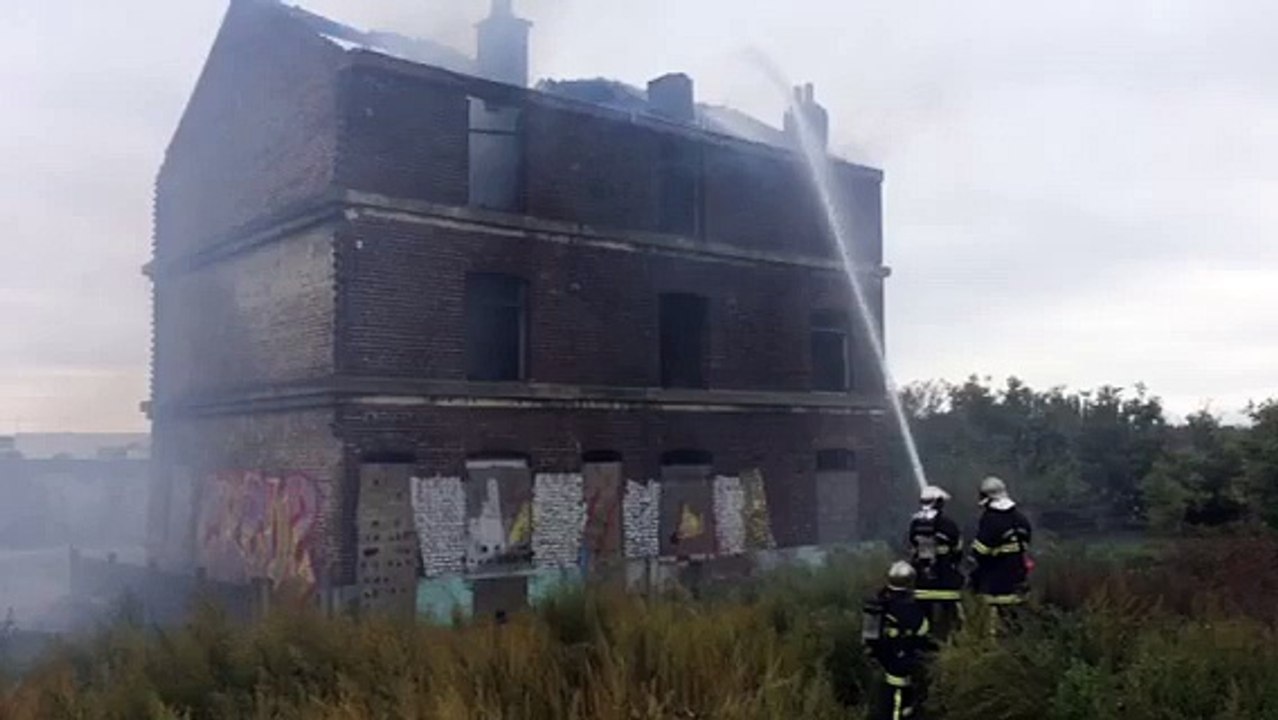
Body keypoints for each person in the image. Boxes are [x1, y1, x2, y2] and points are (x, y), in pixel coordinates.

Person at [863, 561, 934, 720]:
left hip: (882, 663)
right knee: (897, 708)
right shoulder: (909, 608)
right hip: (901, 669)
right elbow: (923, 632)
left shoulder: (880, 601)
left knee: (882, 706)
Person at [969, 476, 1033, 631]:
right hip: (1018, 580)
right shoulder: (1020, 518)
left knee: (993, 626)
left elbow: (981, 550)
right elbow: (1025, 545)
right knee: (1015, 624)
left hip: (996, 583)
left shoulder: (990, 520)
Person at [908, 485, 964, 640]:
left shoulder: (915, 523)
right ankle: (949, 643)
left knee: (924, 620)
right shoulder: (948, 524)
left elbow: (911, 546)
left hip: (922, 583)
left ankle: (925, 644)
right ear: (939, 503)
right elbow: (958, 550)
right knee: (950, 619)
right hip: (946, 581)